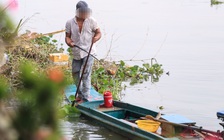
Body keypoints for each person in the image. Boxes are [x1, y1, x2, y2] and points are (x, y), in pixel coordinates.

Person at [65, 1, 101, 102]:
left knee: (86, 73)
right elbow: (67, 37)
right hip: (76, 51)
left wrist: (96, 38)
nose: (85, 14)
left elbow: (98, 33)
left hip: (89, 52)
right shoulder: (70, 22)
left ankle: (86, 97)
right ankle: (79, 94)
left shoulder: (92, 21)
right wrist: (69, 43)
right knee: (75, 72)